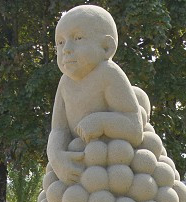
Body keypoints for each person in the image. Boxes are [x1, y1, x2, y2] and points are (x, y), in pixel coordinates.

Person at [46, 4, 144, 185]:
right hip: (82, 165)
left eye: (78, 38)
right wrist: (56, 157)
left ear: (106, 47)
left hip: (111, 165)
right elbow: (59, 129)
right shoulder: (65, 82)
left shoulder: (108, 74)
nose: (66, 48)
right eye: (60, 42)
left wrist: (101, 121)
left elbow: (135, 129)